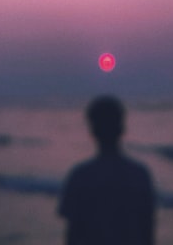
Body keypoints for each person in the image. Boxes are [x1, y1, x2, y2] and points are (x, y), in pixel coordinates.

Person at [58, 95, 155, 245]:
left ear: (93, 131)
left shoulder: (80, 176)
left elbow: (72, 235)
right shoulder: (139, 175)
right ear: (122, 128)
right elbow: (147, 232)